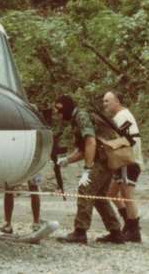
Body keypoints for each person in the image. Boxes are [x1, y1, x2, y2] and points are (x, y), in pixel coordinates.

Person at [54, 95, 123, 244]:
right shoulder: (77, 118)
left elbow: (90, 142)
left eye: (59, 110)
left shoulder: (81, 116)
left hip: (102, 160)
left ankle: (80, 232)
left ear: (66, 108)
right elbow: (82, 149)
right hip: (106, 159)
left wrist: (87, 168)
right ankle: (116, 232)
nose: (58, 114)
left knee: (85, 190)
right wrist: (66, 160)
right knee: (99, 197)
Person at [103, 91, 143, 242]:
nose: (104, 104)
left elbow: (127, 141)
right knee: (111, 194)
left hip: (128, 162)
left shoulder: (122, 117)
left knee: (128, 196)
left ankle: (134, 231)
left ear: (117, 101)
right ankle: (129, 224)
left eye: (107, 101)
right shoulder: (120, 117)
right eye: (104, 101)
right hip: (123, 163)